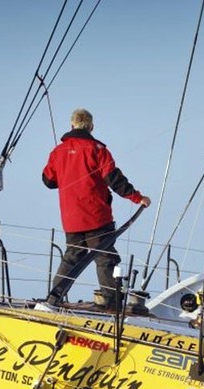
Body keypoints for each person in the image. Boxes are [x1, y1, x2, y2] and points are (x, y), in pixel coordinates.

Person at [43, 108, 151, 309]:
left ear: (72, 125)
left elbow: (48, 181)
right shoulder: (98, 149)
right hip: (96, 216)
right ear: (91, 127)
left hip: (70, 218)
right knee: (105, 257)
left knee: (72, 257)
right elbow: (114, 179)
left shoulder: (58, 152)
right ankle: (112, 304)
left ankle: (53, 299)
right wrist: (138, 198)